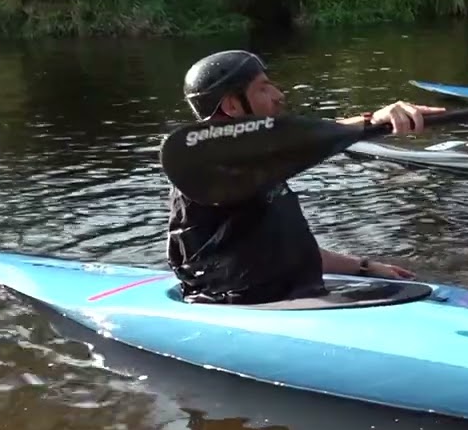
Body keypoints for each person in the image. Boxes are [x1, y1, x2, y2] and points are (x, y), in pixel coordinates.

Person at [166, 49, 446, 305]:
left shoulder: (262, 167)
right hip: (241, 308)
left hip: (295, 297)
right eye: (264, 88)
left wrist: (364, 266)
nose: (279, 95)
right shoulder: (209, 170)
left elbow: (285, 252)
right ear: (232, 105)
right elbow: (293, 142)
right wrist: (371, 120)